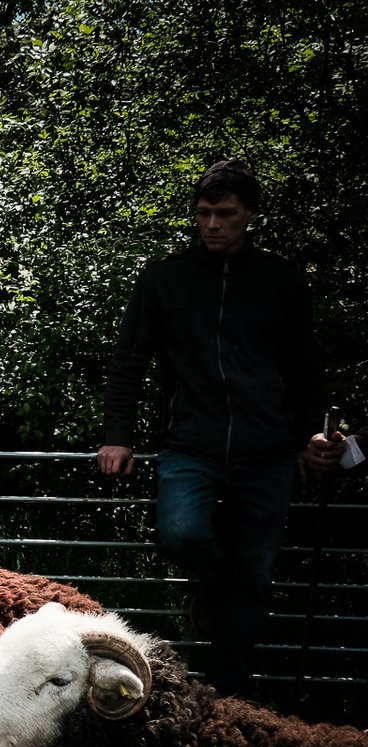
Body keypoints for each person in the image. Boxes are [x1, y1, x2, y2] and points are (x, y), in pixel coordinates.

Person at [97, 159, 325, 695]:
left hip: (268, 449)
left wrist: (311, 435)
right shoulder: (165, 279)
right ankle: (214, 586)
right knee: (182, 534)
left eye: (225, 213)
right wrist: (117, 434)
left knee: (256, 574)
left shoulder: (280, 281)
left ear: (250, 215)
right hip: (190, 442)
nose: (213, 224)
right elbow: (129, 360)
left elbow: (305, 368)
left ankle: (228, 696)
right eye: (204, 213)